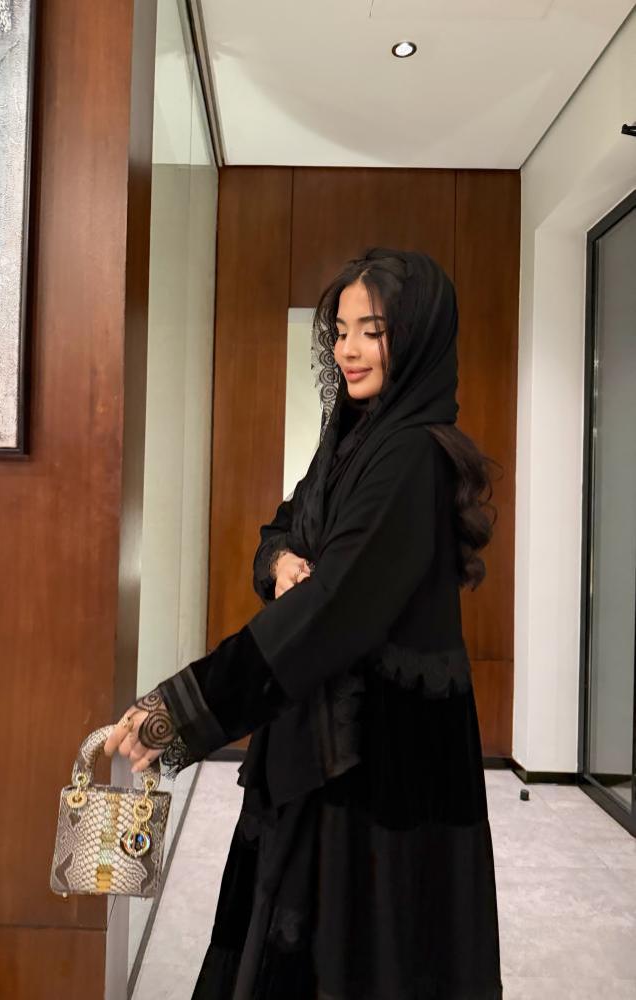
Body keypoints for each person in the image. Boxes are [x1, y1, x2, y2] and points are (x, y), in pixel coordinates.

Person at [104, 248, 504, 999]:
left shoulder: (409, 457)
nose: (349, 349)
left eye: (372, 331)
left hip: (380, 761)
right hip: (328, 736)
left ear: (416, 337)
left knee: (358, 953)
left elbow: (331, 612)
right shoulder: (354, 434)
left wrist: (182, 709)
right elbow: (284, 526)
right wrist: (283, 560)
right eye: (341, 331)